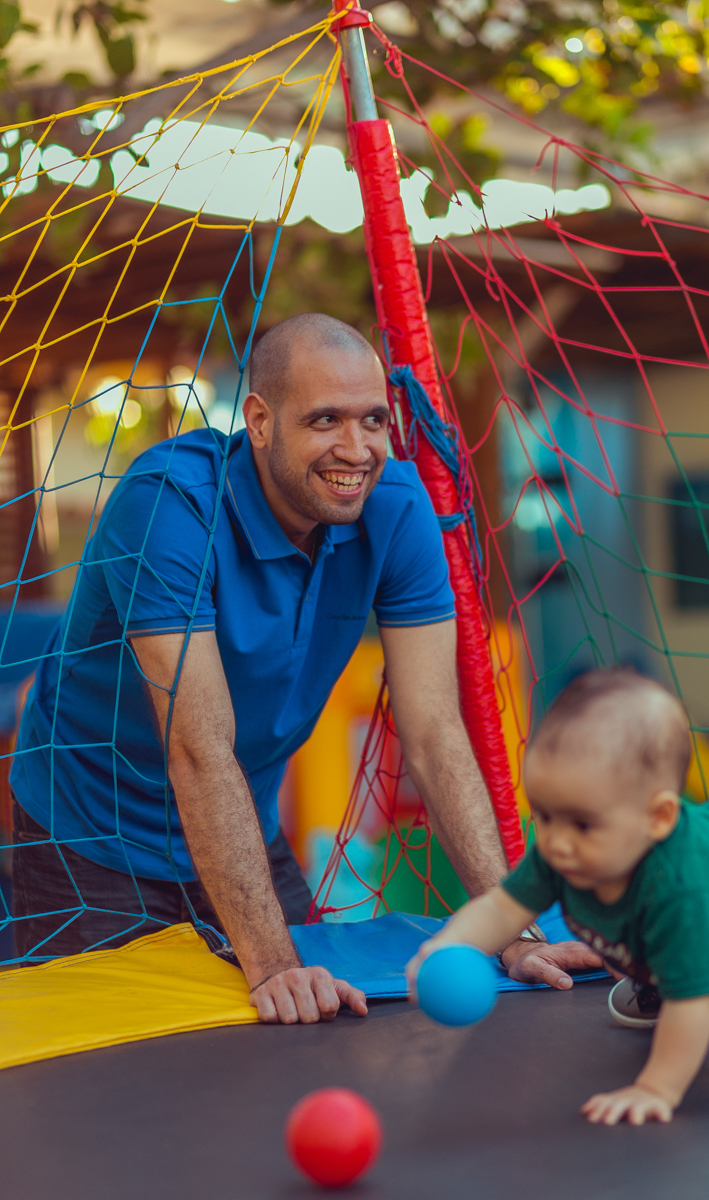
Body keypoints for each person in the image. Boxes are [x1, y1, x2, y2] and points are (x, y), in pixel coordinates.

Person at [10, 313, 602, 1023]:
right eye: (325, 419)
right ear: (258, 421)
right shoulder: (167, 507)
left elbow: (437, 732)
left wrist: (508, 925)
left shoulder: (396, 508)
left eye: (374, 420)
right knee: (101, 1078)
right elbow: (199, 751)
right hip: (91, 838)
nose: (356, 449)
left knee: (309, 1037)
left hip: (241, 827)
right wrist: (273, 965)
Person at [406, 666, 709, 1125]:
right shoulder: (567, 847)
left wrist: (656, 1087)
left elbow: (690, 1007)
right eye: (545, 816)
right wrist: (447, 945)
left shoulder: (684, 888)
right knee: (677, 949)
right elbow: (502, 906)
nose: (556, 841)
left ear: (657, 819)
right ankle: (699, 960)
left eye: (582, 824)